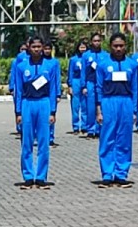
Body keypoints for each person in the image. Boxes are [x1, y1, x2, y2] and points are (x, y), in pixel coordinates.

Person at [12, 37, 58, 189]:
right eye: (34, 47)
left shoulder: (50, 66)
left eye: (39, 46)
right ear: (28, 47)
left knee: (44, 142)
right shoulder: (21, 66)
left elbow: (53, 90)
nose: (37, 49)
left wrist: (53, 111)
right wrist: (18, 112)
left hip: (43, 103)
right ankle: (28, 175)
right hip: (27, 103)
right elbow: (18, 90)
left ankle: (40, 176)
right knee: (27, 141)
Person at [94, 33, 137, 188]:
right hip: (108, 102)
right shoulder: (103, 64)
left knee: (124, 139)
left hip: (126, 102)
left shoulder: (132, 65)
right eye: (115, 46)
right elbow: (98, 88)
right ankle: (107, 174)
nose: (118, 49)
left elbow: (135, 88)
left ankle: (121, 174)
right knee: (107, 138)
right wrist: (98, 110)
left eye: (121, 46)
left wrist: (135, 110)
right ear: (110, 47)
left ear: (125, 46)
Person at [82, 34, 105, 139]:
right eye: (95, 41)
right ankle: (91, 129)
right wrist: (84, 86)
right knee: (90, 107)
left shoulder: (105, 55)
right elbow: (83, 71)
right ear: (91, 42)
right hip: (90, 82)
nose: (97, 43)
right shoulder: (86, 55)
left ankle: (100, 128)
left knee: (101, 106)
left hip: (102, 84)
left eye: (98, 40)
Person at [67, 40, 88, 135]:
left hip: (85, 81)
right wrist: (70, 85)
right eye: (81, 47)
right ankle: (76, 126)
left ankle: (84, 126)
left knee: (85, 105)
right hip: (76, 81)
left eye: (84, 47)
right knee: (75, 105)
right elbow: (70, 72)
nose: (82, 49)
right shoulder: (73, 59)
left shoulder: (88, 58)